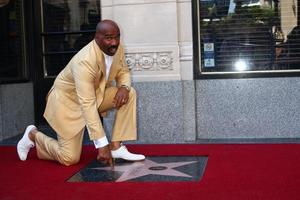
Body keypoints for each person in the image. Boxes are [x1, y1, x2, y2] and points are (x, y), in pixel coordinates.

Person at [17, 19, 145, 167]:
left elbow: (123, 71)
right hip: (66, 103)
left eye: (117, 37)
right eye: (109, 38)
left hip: (94, 96)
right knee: (69, 158)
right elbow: (87, 104)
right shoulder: (84, 61)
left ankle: (116, 147)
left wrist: (124, 87)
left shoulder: (118, 48)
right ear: (96, 38)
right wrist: (101, 144)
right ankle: (33, 135)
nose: (114, 42)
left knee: (130, 93)